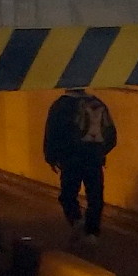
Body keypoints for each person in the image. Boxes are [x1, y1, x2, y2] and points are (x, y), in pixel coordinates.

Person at [44, 87, 117, 245]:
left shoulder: (61, 105)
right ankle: (92, 232)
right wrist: (100, 151)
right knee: (95, 196)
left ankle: (77, 220)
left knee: (67, 195)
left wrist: (52, 157)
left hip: (71, 159)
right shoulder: (97, 103)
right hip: (94, 159)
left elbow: (52, 133)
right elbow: (111, 134)